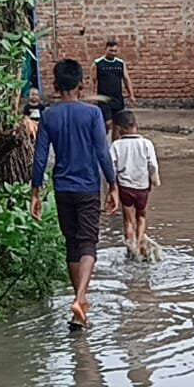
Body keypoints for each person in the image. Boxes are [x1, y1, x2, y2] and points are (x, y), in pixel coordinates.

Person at [31, 59, 120, 330]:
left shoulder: (49, 116)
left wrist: (35, 192)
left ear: (56, 85)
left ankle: (79, 315)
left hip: (63, 188)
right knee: (88, 243)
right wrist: (113, 185)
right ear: (81, 84)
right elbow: (102, 152)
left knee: (72, 244)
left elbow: (40, 157)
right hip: (88, 187)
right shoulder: (92, 114)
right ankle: (80, 299)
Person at [109, 109, 161, 261]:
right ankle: (139, 244)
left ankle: (130, 250)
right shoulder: (146, 143)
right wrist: (154, 180)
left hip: (125, 187)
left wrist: (112, 185)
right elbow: (153, 165)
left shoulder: (116, 145)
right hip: (142, 187)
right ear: (136, 125)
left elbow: (111, 167)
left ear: (119, 129)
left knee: (128, 220)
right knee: (141, 216)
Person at [94, 38, 137, 127]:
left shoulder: (120, 63)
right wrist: (92, 96)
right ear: (105, 49)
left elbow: (126, 79)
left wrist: (131, 95)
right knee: (107, 123)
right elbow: (92, 81)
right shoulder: (98, 63)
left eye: (115, 51)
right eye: (111, 51)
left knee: (118, 123)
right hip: (104, 98)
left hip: (117, 98)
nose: (113, 53)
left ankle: (114, 136)